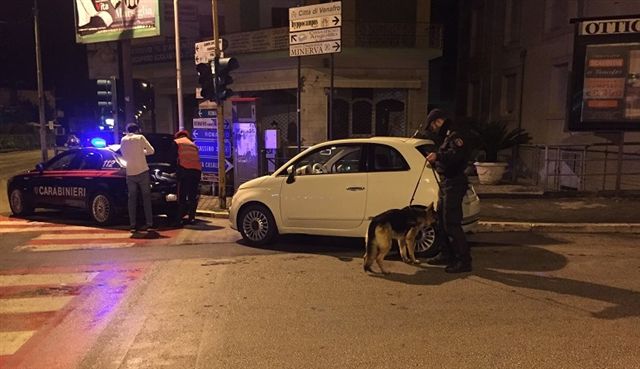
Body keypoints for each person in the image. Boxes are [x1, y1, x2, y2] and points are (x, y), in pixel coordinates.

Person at [424, 109, 473, 273]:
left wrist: (438, 157)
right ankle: (446, 254)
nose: (433, 130)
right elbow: (447, 157)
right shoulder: (447, 136)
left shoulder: (455, 136)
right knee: (442, 221)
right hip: (446, 183)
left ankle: (463, 261)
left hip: (454, 183)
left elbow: (456, 156)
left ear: (438, 121)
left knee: (452, 223)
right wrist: (436, 162)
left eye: (432, 126)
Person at [120, 123, 155, 232]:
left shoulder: (123, 140)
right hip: (142, 171)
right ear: (137, 130)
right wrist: (141, 152)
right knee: (146, 199)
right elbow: (151, 150)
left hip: (130, 173)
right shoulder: (140, 138)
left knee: (132, 199)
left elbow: (123, 155)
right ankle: (149, 224)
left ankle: (133, 225)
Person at [174, 130, 202, 225]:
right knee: (192, 196)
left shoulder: (177, 143)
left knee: (182, 196)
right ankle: (191, 218)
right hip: (196, 172)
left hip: (185, 171)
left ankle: (179, 219)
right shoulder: (193, 145)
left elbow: (174, 157)